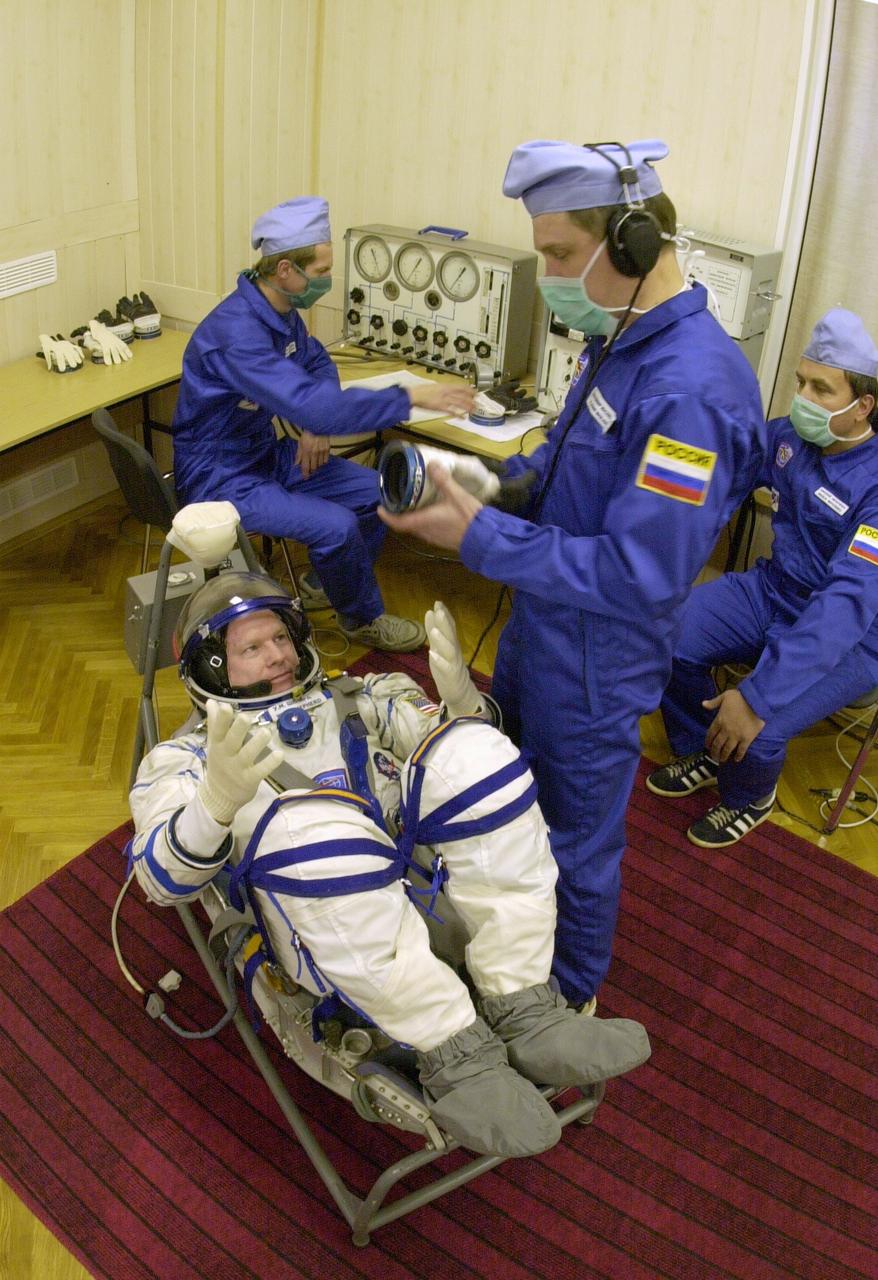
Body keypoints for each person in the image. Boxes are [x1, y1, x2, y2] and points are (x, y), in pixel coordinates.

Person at [379, 139, 767, 1009]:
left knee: (572, 840)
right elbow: (558, 468)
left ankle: (568, 1001)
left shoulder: (690, 393)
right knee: (511, 806)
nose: (549, 273)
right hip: (546, 625)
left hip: (598, 656)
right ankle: (506, 951)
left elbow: (639, 572)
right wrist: (482, 487)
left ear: (629, 245)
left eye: (559, 254)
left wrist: (478, 539)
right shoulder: (620, 340)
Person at [128, 569, 650, 1159]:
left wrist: (464, 705)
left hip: (424, 890)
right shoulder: (185, 760)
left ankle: (525, 1006)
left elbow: (458, 763)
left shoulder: (359, 698)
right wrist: (215, 803)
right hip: (315, 935)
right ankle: (455, 1053)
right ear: (214, 669)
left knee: (476, 751)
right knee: (314, 823)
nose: (277, 654)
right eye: (251, 647)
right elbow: (159, 882)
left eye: (280, 637)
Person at [171, 197, 476, 652]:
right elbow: (311, 401)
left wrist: (314, 427)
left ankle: (327, 581)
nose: (328, 283)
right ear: (285, 271)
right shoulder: (237, 336)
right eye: (321, 272)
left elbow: (316, 364)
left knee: (380, 493)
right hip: (220, 476)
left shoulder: (279, 313)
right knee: (336, 526)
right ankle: (360, 619)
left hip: (265, 455)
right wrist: (411, 397)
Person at [646, 308, 878, 845]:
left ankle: (749, 795)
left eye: (821, 388)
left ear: (862, 405)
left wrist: (755, 699)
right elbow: (719, 461)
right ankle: (705, 749)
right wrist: (647, 463)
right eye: (800, 382)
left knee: (762, 724)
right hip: (773, 590)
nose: (803, 398)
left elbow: (845, 605)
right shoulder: (790, 439)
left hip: (851, 634)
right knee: (663, 639)